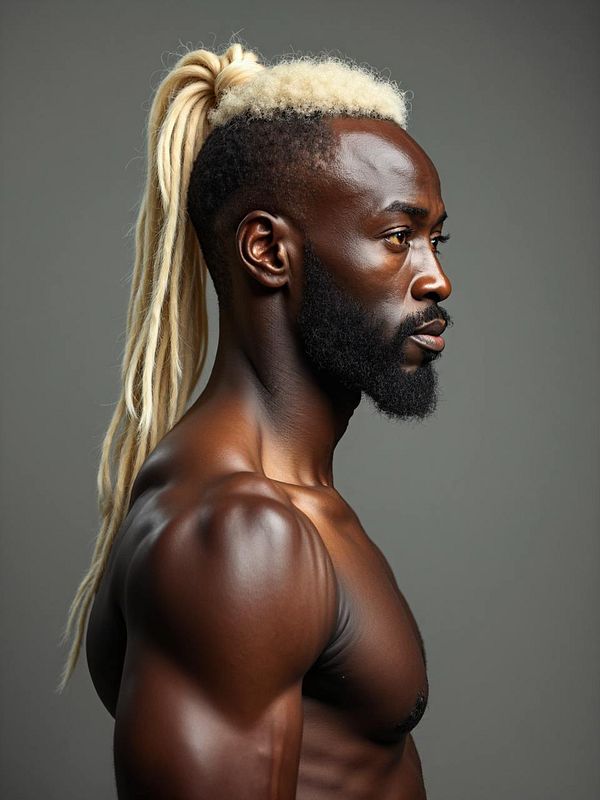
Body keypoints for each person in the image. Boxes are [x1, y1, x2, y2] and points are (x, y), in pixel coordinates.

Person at [61, 41, 453, 799]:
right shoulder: (241, 538)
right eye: (399, 237)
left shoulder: (286, 503)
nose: (436, 276)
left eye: (437, 239)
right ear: (269, 250)